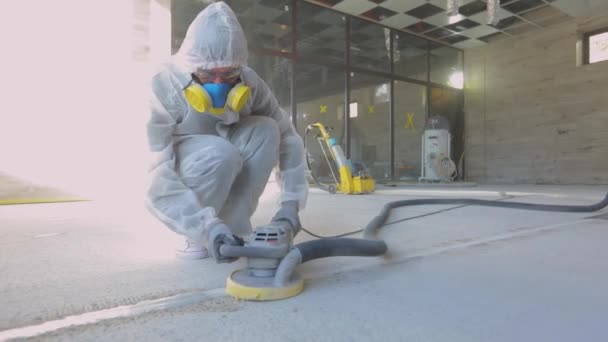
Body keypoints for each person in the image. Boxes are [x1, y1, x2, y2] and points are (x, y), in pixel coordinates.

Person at [146, 2, 308, 262]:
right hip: (188, 163)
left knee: (267, 129)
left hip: (224, 149)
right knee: (221, 153)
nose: (219, 83)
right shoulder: (162, 83)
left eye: (229, 73)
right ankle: (193, 234)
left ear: (239, 67)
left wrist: (291, 203)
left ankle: (232, 230)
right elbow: (155, 173)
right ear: (192, 65)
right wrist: (204, 226)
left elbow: (288, 137)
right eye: (209, 74)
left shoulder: (249, 81)